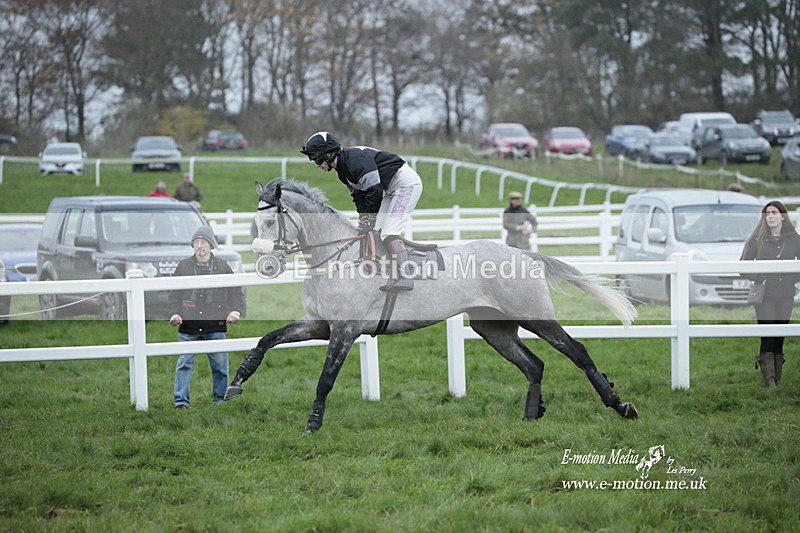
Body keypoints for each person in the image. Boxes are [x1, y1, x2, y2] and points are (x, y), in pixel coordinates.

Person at [300, 131, 423, 291]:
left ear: (328, 154)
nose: (316, 164)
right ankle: (387, 271)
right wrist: (364, 220)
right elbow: (359, 197)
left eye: (317, 159)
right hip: (390, 188)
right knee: (377, 231)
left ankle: (406, 276)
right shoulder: (343, 171)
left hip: (405, 185)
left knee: (388, 233)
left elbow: (374, 191)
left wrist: (369, 219)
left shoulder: (354, 162)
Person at [168, 226, 244, 409]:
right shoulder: (183, 266)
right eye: (196, 242)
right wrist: (175, 313)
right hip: (188, 325)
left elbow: (236, 291)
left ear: (211, 245)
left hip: (215, 324)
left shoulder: (222, 266)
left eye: (203, 242)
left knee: (220, 366)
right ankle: (181, 403)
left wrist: (235, 310)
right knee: (184, 364)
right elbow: (173, 294)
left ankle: (219, 401)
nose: (199, 246)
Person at [740, 200, 800, 388]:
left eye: (774, 212)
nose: (771, 216)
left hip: (786, 294)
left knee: (780, 335)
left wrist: (792, 278)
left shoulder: (794, 238)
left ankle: (777, 377)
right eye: (767, 213)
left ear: (782, 215)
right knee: (767, 334)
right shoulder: (758, 238)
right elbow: (743, 266)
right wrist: (761, 277)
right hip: (765, 295)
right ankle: (769, 380)